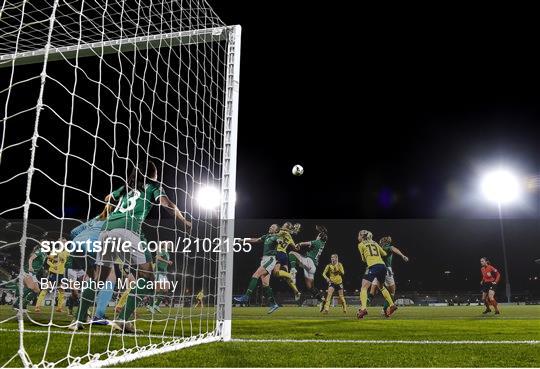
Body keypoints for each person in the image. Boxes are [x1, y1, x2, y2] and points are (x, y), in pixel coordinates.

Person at [70, 160, 191, 332]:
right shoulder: (153, 186)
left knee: (98, 279)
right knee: (149, 280)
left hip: (106, 230)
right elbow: (167, 204)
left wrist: (118, 200)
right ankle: (122, 320)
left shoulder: (127, 187)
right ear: (153, 174)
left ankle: (79, 320)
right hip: (127, 230)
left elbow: (108, 198)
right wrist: (183, 221)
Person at [233, 224, 280, 314]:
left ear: (276, 231)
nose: (270, 227)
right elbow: (256, 240)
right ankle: (274, 304)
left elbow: (278, 240)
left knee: (255, 275)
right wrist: (244, 240)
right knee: (265, 284)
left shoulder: (275, 237)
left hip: (270, 259)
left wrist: (280, 241)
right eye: (270, 226)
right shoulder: (266, 236)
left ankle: (246, 296)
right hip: (265, 260)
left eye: (273, 227)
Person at [356, 230, 397, 319]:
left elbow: (363, 259)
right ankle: (392, 305)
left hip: (373, 266)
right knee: (381, 287)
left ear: (362, 237)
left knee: (364, 288)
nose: (357, 237)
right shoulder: (374, 242)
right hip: (383, 266)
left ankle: (363, 309)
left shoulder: (360, 245)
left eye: (358, 235)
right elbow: (384, 253)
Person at [369, 236, 408, 315]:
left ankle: (362, 308)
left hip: (376, 269)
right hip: (387, 270)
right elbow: (394, 249)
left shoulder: (377, 248)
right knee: (392, 291)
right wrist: (403, 255)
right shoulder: (387, 247)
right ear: (387, 242)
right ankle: (384, 310)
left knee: (372, 292)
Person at [289, 225, 328, 302]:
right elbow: (324, 236)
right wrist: (322, 231)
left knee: (291, 253)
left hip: (309, 262)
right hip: (312, 267)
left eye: (318, 235)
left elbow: (305, 243)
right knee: (310, 287)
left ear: (320, 237)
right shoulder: (323, 243)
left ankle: (293, 270)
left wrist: (298, 244)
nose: (317, 236)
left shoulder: (317, 242)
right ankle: (322, 299)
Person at [12, 240, 47, 311]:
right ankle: (16, 304)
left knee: (37, 291)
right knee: (30, 287)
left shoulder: (45, 253)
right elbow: (31, 259)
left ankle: (24, 305)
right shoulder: (39, 250)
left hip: (34, 273)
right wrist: (30, 267)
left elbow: (40, 263)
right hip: (28, 271)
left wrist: (43, 270)